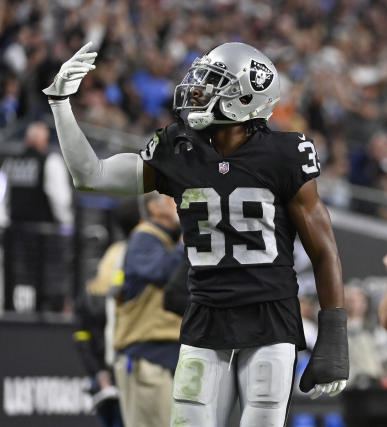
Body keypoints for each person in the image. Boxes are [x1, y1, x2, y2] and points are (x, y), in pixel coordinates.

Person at [43, 41, 348, 426]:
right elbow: (92, 176)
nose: (197, 90)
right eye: (200, 79)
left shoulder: (285, 152)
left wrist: (334, 332)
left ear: (247, 95)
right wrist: (60, 104)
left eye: (214, 82)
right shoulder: (178, 146)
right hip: (205, 314)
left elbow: (324, 249)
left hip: (269, 315)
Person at [112, 192, 184, 427]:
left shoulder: (166, 240)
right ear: (154, 207)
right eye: (172, 199)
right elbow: (163, 273)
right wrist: (187, 242)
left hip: (169, 356)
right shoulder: (144, 237)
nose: (179, 203)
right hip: (147, 357)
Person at [72, 197, 140, 427]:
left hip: (108, 370)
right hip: (122, 370)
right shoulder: (131, 257)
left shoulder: (114, 256)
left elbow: (83, 336)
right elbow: (83, 335)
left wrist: (99, 373)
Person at [1, 121, 74, 312]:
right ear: (43, 140)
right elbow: (59, 199)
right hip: (45, 237)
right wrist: (66, 224)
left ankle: (17, 312)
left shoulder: (10, 162)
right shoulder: (50, 161)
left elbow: (4, 200)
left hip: (16, 235)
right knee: (45, 283)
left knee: (18, 279)